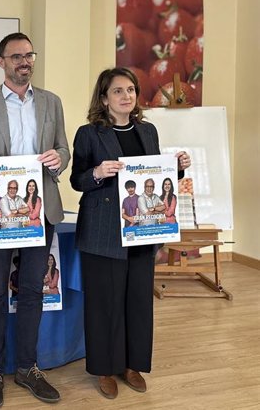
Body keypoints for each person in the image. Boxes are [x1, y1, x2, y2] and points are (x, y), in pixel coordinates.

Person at [70, 67, 191, 399]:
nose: (126, 96)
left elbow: (156, 176)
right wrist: (96, 172)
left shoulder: (147, 131)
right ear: (104, 98)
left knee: (138, 300)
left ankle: (132, 364)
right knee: (104, 303)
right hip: (103, 231)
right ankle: (104, 368)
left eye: (131, 90)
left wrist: (177, 166)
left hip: (142, 229)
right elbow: (76, 180)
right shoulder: (89, 133)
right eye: (118, 91)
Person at [0, 32, 70, 407]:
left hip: (39, 212)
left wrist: (60, 158)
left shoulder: (51, 102)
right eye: (16, 56)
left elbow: (63, 147)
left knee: (32, 290)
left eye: (29, 55)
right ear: (1, 61)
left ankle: (27, 367)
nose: (24, 61)